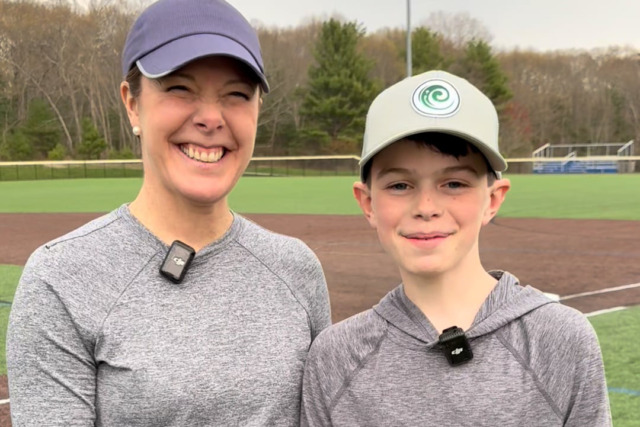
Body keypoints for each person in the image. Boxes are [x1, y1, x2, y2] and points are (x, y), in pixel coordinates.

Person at [7, 0, 331, 425]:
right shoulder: (61, 279)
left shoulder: (297, 271)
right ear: (132, 103)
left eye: (236, 94)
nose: (211, 118)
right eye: (180, 88)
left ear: (257, 110)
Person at [300, 70, 611, 426]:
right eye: (400, 185)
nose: (427, 206)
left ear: (493, 200)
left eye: (454, 183)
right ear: (367, 202)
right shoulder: (335, 357)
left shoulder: (560, 340)